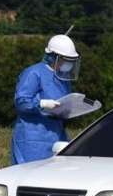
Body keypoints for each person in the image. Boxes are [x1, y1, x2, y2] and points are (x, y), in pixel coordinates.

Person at [10, 34, 81, 165]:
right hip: (32, 138)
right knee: (29, 174)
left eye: (70, 61)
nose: (67, 64)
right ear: (53, 56)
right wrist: (42, 103)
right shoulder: (34, 73)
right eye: (65, 60)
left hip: (56, 134)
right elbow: (21, 102)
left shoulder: (63, 79)